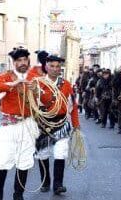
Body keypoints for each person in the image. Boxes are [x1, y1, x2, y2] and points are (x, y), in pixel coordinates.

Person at [0, 47, 40, 200]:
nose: (22, 63)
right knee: (3, 160)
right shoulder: (5, 77)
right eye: (19, 61)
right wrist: (11, 85)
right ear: (14, 62)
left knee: (24, 161)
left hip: (28, 124)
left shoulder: (34, 78)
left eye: (25, 60)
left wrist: (36, 90)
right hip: (9, 125)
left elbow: (47, 97)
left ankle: (18, 195)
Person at [35, 55, 80, 195]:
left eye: (57, 66)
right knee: (42, 154)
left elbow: (73, 105)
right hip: (43, 123)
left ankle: (58, 184)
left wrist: (76, 124)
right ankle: (45, 182)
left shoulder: (66, 84)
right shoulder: (37, 83)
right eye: (52, 66)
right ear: (46, 67)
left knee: (60, 153)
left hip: (62, 123)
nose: (55, 69)